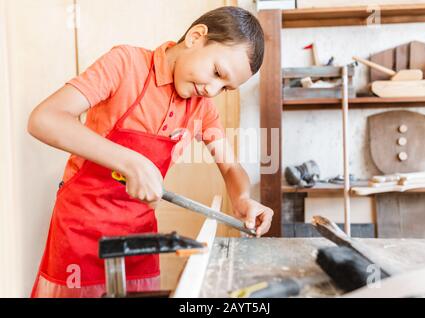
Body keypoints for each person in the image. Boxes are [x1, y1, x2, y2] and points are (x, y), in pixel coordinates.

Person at [28, 6, 273, 298]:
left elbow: (231, 168)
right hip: (81, 231)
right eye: (217, 72)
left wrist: (242, 199)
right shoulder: (126, 64)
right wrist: (129, 161)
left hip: (139, 237)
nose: (213, 89)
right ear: (196, 37)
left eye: (225, 88)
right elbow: (45, 119)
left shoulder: (202, 109)